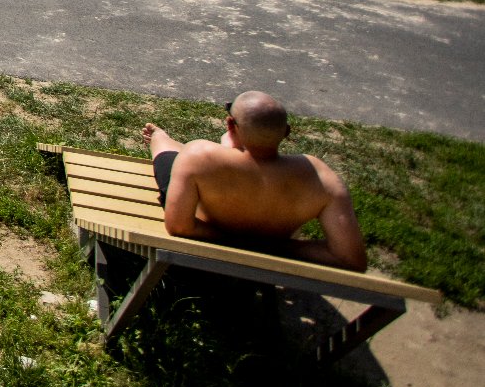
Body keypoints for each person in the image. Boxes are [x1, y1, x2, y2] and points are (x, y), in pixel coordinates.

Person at [142, 92, 364, 270]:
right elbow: (349, 258)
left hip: (208, 231)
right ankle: (227, 150)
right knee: (202, 156)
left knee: (168, 152)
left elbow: (178, 226)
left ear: (230, 124)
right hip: (274, 242)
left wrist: (237, 240)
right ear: (286, 132)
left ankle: (161, 137)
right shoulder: (321, 178)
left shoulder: (197, 155)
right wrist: (271, 245)